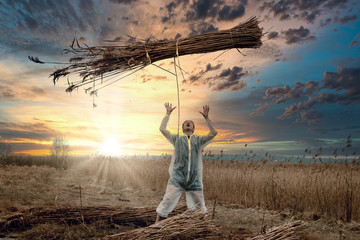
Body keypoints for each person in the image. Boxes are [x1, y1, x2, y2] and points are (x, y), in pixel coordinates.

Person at [156, 102, 217, 223]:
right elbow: (162, 129)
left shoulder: (199, 140)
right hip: (177, 178)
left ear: (193, 128)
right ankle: (156, 227)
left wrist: (206, 118)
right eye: (185, 123)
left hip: (194, 180)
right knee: (167, 201)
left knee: (199, 207)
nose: (188, 123)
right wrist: (167, 114)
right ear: (183, 128)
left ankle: (201, 230)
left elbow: (213, 133)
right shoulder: (177, 139)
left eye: (190, 123)